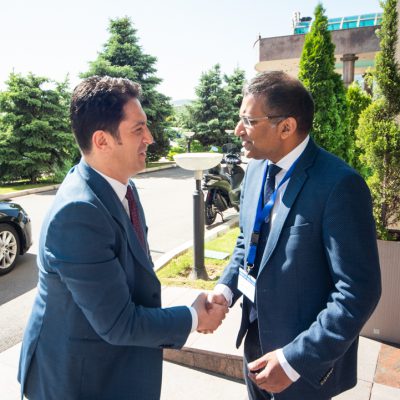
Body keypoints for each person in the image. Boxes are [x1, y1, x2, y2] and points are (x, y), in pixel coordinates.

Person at [18, 76, 228, 400]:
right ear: (102, 141)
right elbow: (118, 323)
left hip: (112, 368)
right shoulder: (77, 214)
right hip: (77, 382)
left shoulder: (122, 186)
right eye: (138, 129)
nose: (150, 138)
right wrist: (194, 317)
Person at [208, 71, 381, 400]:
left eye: (248, 120)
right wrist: (225, 291)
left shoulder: (339, 185)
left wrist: (294, 360)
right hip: (256, 343)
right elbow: (248, 240)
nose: (238, 130)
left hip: (303, 364)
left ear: (286, 127)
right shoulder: (256, 169)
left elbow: (358, 292)